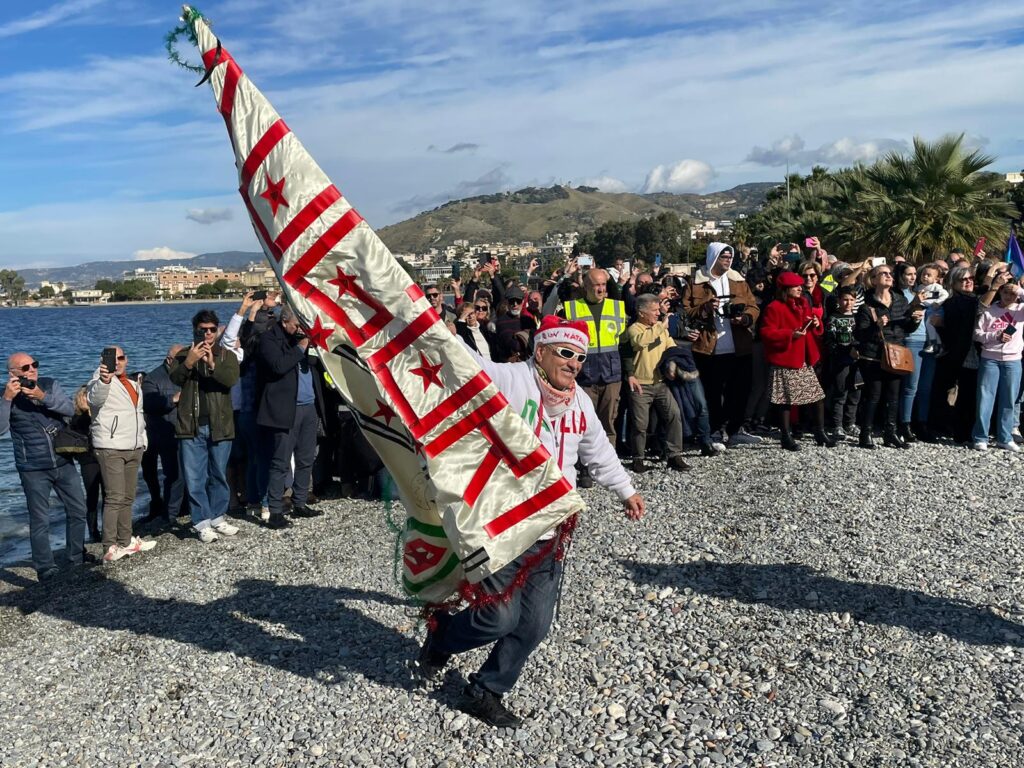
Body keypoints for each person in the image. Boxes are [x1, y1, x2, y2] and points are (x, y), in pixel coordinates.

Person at [418, 316, 645, 728]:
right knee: (498, 617)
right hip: (505, 521)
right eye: (565, 353)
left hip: (553, 526)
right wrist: (444, 334)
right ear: (540, 352)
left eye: (580, 356)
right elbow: (468, 366)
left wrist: (626, 490)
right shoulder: (511, 380)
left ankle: (486, 690)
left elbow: (597, 450)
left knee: (535, 624)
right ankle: (444, 635)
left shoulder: (579, 401)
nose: (574, 363)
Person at [0, 353, 88, 580]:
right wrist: (8, 399)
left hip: (62, 459)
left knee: (78, 510)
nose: (31, 370)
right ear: (13, 374)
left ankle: (76, 557)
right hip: (33, 468)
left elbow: (69, 409)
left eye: (34, 365)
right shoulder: (4, 395)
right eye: (25, 367)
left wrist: (42, 396)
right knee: (40, 519)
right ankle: (45, 567)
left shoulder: (49, 384)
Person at [170, 310, 241, 542]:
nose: (208, 334)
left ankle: (218, 516)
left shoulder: (226, 355)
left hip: (220, 424)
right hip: (191, 425)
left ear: (217, 329)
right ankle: (201, 521)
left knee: (219, 473)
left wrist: (212, 364)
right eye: (203, 329)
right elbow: (175, 379)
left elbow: (230, 380)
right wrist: (189, 363)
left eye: (212, 329)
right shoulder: (182, 355)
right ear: (195, 329)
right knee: (195, 477)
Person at [683, 242, 761, 446]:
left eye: (730, 257)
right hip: (708, 348)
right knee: (712, 392)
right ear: (713, 257)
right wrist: (706, 308)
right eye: (724, 257)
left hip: (739, 345)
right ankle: (715, 429)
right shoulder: (697, 282)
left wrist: (744, 319)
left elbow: (753, 306)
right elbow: (686, 311)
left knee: (740, 390)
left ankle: (735, 429)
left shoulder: (738, 280)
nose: (728, 260)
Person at [256, 304, 325, 529]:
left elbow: (314, 365)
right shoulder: (269, 340)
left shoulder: (300, 339)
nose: (299, 329)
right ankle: (275, 509)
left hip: (308, 406)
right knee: (280, 461)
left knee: (306, 459)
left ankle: (300, 500)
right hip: (285, 409)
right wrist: (301, 345)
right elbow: (278, 366)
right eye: (297, 325)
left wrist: (311, 345)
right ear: (284, 321)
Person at [86, 346, 156, 562]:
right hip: (111, 446)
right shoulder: (98, 382)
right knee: (114, 497)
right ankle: (109, 546)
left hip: (133, 446)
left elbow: (139, 414)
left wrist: (143, 441)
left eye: (121, 358)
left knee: (128, 496)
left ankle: (125, 541)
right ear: (103, 361)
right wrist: (105, 380)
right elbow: (94, 399)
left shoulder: (134, 383)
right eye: (112, 359)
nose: (117, 362)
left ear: (127, 360)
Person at [561, 268, 628, 484]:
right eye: (595, 285)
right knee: (583, 424)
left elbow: (625, 343)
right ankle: (583, 470)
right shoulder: (572, 309)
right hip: (583, 376)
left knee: (608, 422)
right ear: (585, 287)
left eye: (603, 285)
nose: (600, 289)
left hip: (611, 375)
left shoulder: (617, 307)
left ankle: (609, 468)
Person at [758, 272, 834, 450]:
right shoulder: (774, 307)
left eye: (800, 285)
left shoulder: (803, 304)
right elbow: (767, 332)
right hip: (786, 358)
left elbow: (812, 326)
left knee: (817, 397)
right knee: (785, 400)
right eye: (796, 286)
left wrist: (816, 324)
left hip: (804, 358)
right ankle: (786, 436)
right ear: (785, 289)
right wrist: (790, 334)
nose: (801, 288)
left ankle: (819, 432)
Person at [854, 265, 922, 449]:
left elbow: (906, 327)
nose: (888, 275)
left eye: (889, 273)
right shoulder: (866, 303)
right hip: (873, 355)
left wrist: (915, 320)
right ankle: (865, 434)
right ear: (874, 279)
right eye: (883, 273)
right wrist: (875, 325)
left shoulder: (899, 300)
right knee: (873, 396)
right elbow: (860, 333)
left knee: (893, 396)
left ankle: (890, 433)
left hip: (895, 354)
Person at [622, 293, 690, 472]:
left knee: (674, 415)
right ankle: (638, 458)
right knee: (640, 424)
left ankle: (674, 455)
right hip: (640, 384)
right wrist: (660, 327)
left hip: (660, 382)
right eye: (654, 311)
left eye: (658, 310)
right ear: (641, 313)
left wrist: (674, 363)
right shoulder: (634, 329)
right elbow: (640, 342)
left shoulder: (660, 329)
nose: (658, 314)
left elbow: (671, 346)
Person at [972, 281, 1024, 451]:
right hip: (990, 359)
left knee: (1009, 399)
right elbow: (977, 334)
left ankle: (1005, 437)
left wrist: (1020, 290)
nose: (1010, 296)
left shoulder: (1020, 310)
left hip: (1013, 360)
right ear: (1000, 292)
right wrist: (995, 335)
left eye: (1013, 294)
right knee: (985, 399)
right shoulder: (989, 311)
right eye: (1006, 292)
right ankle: (980, 437)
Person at [141, 344, 186, 523]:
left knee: (185, 473)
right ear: (169, 359)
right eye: (180, 360)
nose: (184, 362)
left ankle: (182, 508)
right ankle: (169, 514)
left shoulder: (188, 373)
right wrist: (172, 399)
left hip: (184, 430)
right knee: (174, 474)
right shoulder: (153, 378)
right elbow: (149, 404)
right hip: (163, 432)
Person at [823, 287, 862, 440]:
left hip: (857, 361)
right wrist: (844, 351)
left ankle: (850, 423)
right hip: (840, 361)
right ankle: (836, 425)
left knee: (855, 392)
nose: (848, 303)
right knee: (840, 393)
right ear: (839, 300)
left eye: (852, 300)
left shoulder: (858, 318)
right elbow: (829, 341)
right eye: (845, 299)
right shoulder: (833, 318)